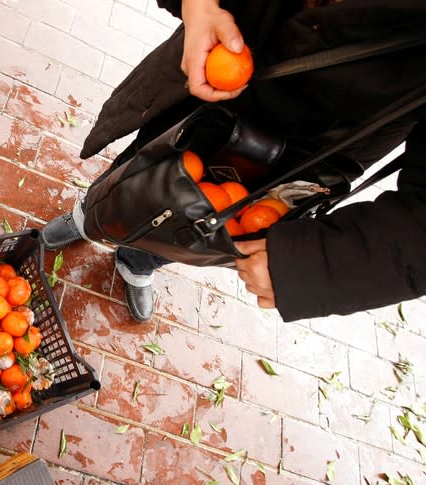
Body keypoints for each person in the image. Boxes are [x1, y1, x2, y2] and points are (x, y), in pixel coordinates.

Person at [41, 0, 426, 322]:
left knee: (211, 223)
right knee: (146, 172)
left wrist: (314, 264)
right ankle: (89, 217)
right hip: (226, 70)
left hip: (322, 142)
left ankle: (140, 259)